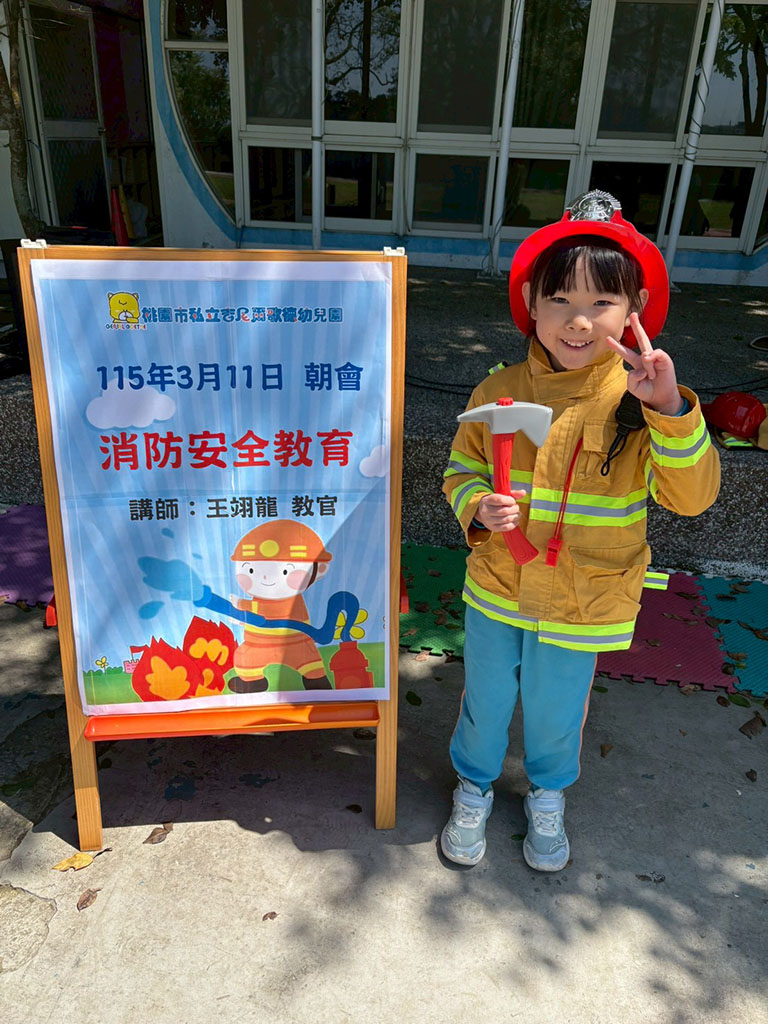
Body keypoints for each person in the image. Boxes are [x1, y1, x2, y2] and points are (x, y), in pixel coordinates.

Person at [440, 190, 720, 871]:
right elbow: (460, 470)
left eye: (602, 302)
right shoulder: (496, 391)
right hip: (499, 585)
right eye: (560, 299)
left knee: (558, 706)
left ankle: (547, 792)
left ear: (634, 311)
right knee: (486, 697)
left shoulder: (642, 399)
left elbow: (691, 499)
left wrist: (670, 410)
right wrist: (477, 506)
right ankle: (473, 786)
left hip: (586, 597)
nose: (579, 320)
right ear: (531, 303)